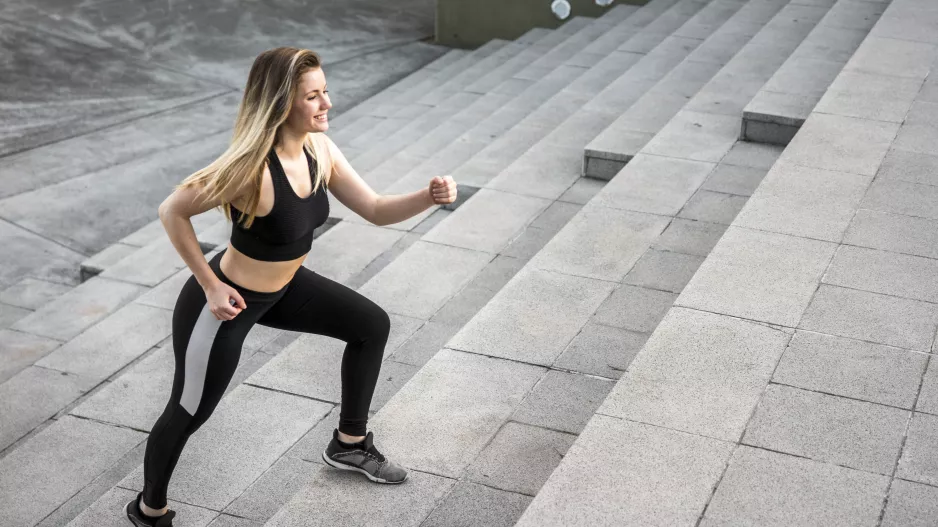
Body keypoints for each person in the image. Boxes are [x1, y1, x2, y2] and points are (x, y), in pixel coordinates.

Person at [124, 47, 457, 527]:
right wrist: (211, 285)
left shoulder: (319, 149)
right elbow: (171, 210)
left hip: (286, 287)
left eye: (325, 92)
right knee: (189, 409)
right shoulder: (250, 170)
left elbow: (377, 209)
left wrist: (427, 197)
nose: (326, 104)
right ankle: (149, 510)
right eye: (313, 97)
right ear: (282, 103)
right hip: (226, 303)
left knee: (370, 326)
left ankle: (349, 444)